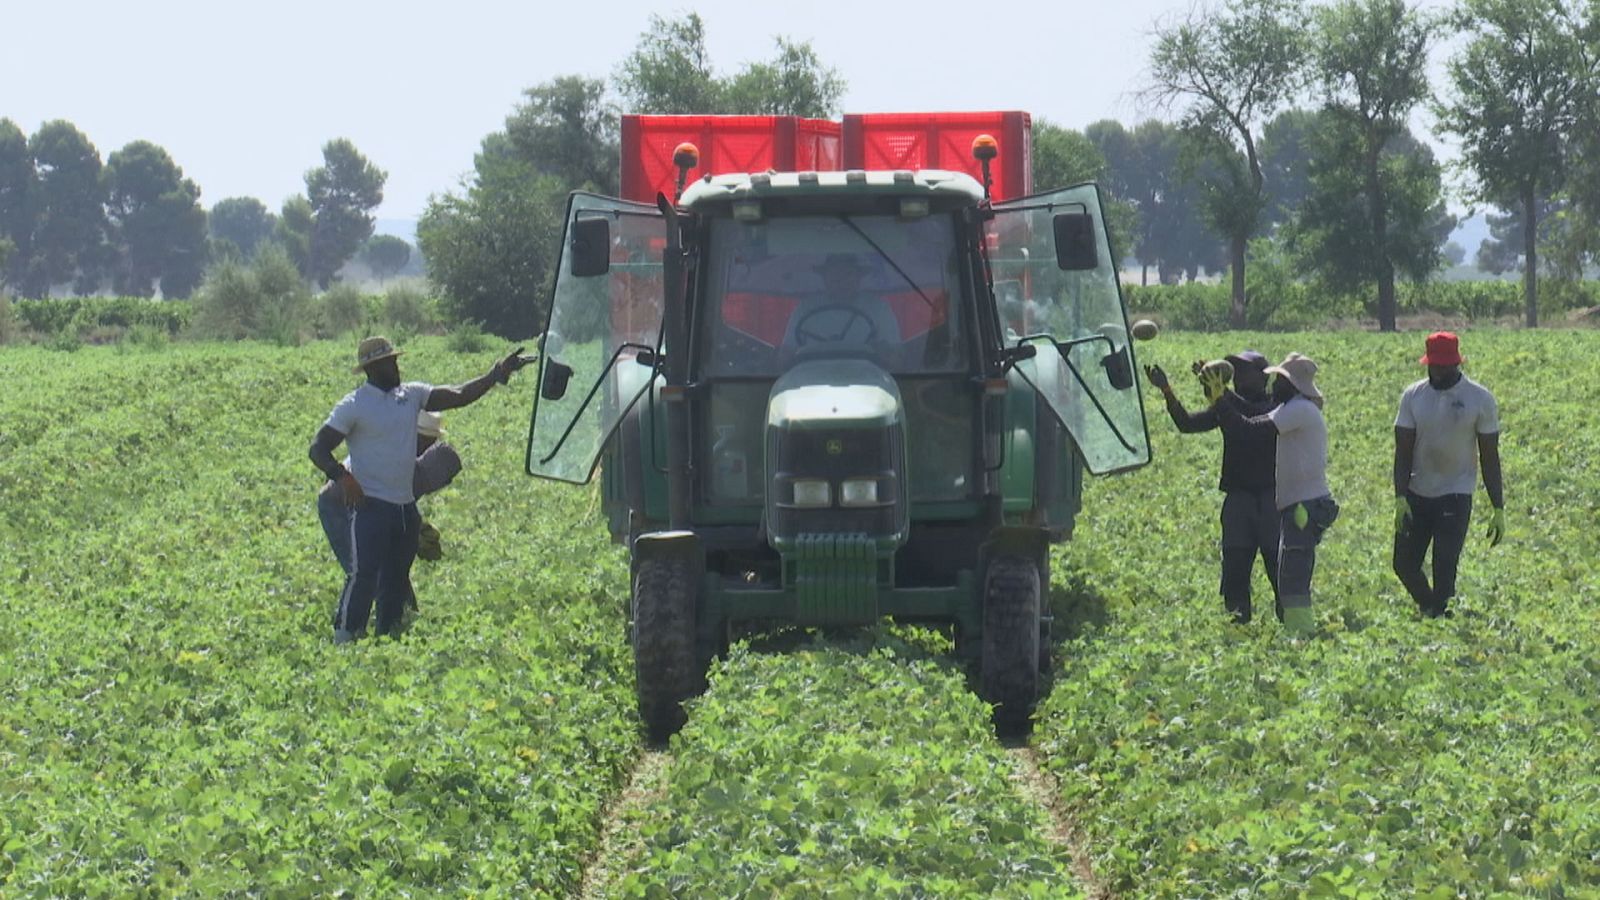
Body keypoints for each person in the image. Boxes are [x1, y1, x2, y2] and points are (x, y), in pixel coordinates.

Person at [309, 336, 532, 643]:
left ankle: (387, 638)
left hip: (404, 509)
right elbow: (318, 449)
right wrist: (343, 477)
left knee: (396, 578)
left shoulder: (411, 394)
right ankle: (345, 637)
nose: (396, 367)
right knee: (364, 575)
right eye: (389, 363)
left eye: (395, 360)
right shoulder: (354, 405)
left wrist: (495, 375)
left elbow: (458, 395)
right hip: (370, 505)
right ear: (372, 369)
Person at [1145, 350, 1281, 624]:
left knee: (1280, 572)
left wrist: (1221, 395)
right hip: (1239, 500)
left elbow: (1249, 417)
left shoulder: (1276, 407)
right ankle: (1238, 629)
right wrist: (1167, 390)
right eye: (1236, 371)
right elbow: (1187, 424)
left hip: (1271, 500)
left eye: (1245, 371)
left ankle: (1292, 630)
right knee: (1235, 572)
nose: (1239, 377)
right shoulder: (1226, 406)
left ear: (1263, 377)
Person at [1207, 352, 1338, 636]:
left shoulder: (1299, 410)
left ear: (1292, 384)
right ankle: (1296, 632)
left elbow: (1248, 429)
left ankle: (1301, 634)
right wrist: (1224, 393)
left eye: (1279, 379)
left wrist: (1220, 400)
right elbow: (1252, 413)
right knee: (1289, 572)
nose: (1274, 384)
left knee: (1292, 576)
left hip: (1304, 506)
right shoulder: (1292, 407)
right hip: (1298, 505)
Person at [1392, 331, 1504, 618]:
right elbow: (1403, 451)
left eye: (1444, 366)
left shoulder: (1479, 399)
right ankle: (1431, 606)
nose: (1438, 372)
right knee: (1403, 563)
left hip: (1456, 492)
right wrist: (1400, 496)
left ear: (1457, 363)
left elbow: (1489, 456)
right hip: (1418, 491)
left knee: (1444, 563)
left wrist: (1498, 507)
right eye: (1434, 366)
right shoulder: (1413, 396)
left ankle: (1442, 618)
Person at [317, 409, 462, 611]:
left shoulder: (403, 455)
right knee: (366, 572)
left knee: (392, 570)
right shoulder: (406, 471)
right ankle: (352, 624)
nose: (446, 483)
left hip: (359, 502)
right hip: (338, 506)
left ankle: (404, 615)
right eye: (447, 478)